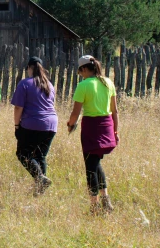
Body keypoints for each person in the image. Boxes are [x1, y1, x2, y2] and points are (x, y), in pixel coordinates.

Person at [67, 55, 119, 214]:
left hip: (91, 127)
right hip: (107, 125)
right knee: (96, 162)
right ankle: (106, 200)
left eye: (80, 71)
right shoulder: (108, 82)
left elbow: (75, 113)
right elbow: (115, 110)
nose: (80, 74)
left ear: (83, 69)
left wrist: (70, 125)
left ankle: (94, 206)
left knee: (90, 166)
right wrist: (116, 131)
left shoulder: (83, 85)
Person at [12, 56, 58, 196]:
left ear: (29, 68)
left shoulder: (25, 84)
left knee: (22, 154)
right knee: (40, 156)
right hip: (51, 124)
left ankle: (39, 179)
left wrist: (17, 126)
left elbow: (18, 108)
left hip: (33, 123)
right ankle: (40, 189)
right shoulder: (49, 84)